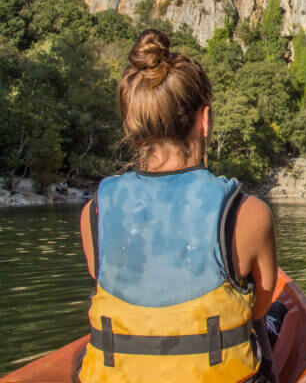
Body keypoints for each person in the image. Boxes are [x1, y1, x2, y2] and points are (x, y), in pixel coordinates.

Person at [77, 29, 279, 382]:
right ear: (204, 120)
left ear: (133, 124)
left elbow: (105, 281)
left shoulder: (94, 212)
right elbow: (258, 306)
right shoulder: (248, 215)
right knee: (269, 319)